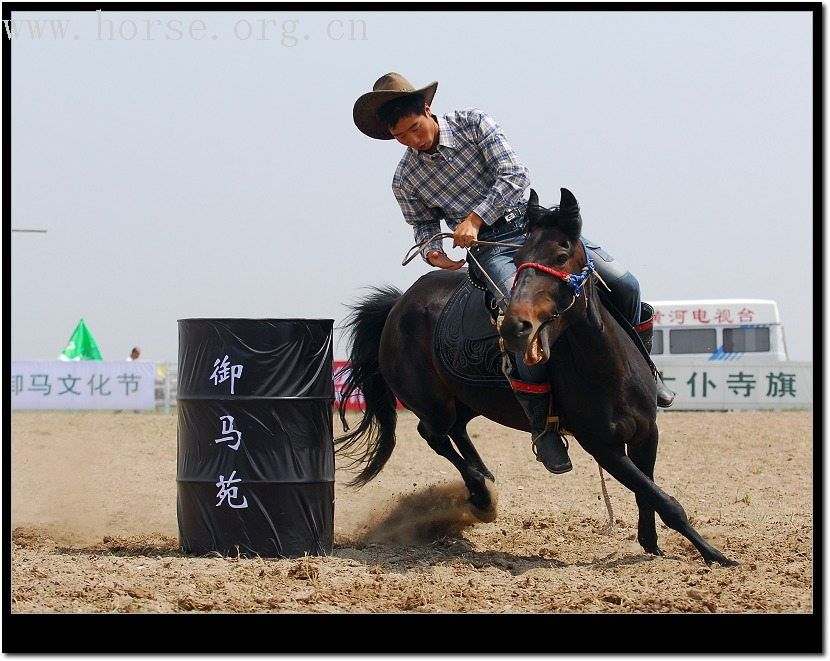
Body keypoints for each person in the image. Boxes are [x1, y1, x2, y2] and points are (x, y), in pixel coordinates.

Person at [353, 72, 674, 475]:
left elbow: (515, 175)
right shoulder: (405, 179)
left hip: (536, 229)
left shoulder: (473, 123)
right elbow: (421, 223)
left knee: (626, 283)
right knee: (518, 315)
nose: (413, 141)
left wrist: (472, 217)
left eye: (415, 129)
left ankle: (648, 372)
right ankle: (543, 427)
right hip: (490, 251)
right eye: (402, 137)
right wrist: (433, 250)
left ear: (427, 110)